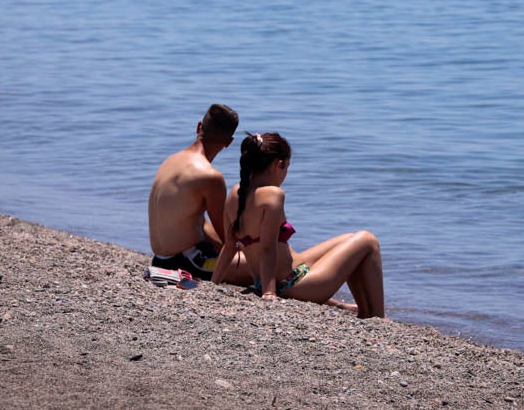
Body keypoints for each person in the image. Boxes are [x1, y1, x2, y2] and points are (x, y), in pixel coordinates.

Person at [213, 132, 385, 318]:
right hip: (291, 285)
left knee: (350, 240)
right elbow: (268, 248)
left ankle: (365, 312)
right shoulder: (273, 195)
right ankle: (377, 316)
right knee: (368, 240)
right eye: (287, 168)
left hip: (273, 279)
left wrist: (213, 283)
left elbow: (229, 246)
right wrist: (269, 293)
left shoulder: (235, 193)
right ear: (279, 165)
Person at [147, 103, 242, 281]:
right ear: (229, 142)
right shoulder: (210, 177)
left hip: (160, 259)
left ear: (199, 126)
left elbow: (192, 220)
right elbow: (227, 236)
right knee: (256, 265)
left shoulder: (171, 160)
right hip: (188, 262)